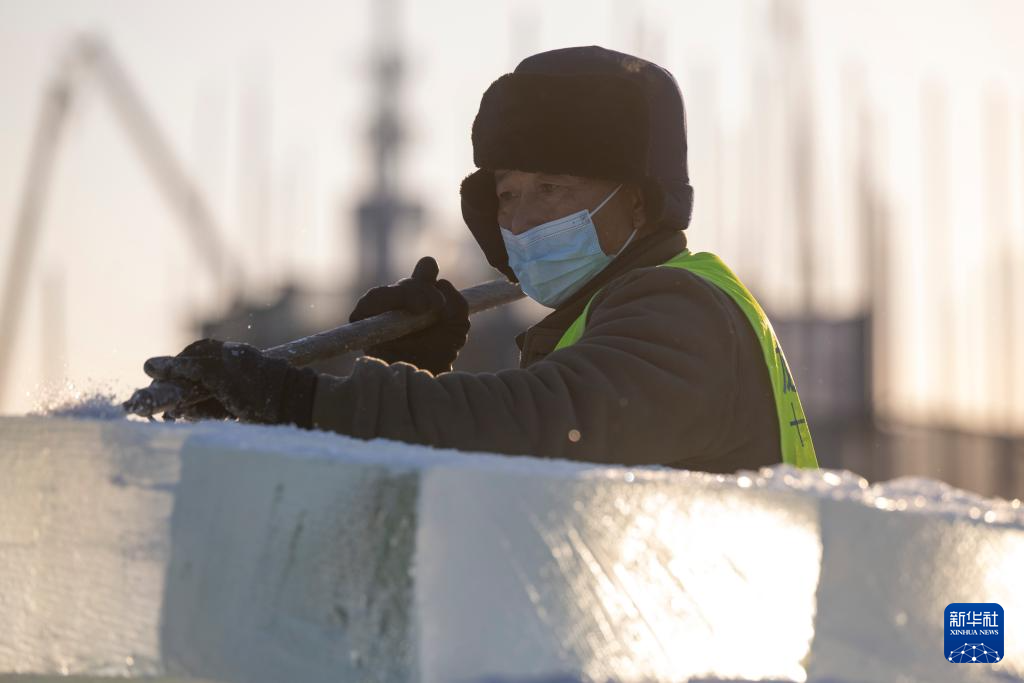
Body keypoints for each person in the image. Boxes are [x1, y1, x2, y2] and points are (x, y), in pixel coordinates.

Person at [144, 46, 817, 473]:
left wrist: (305, 400)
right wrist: (420, 370)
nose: (521, 221)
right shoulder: (603, 323)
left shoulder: (680, 310)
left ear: (638, 205)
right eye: (507, 194)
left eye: (552, 188)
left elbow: (542, 427)